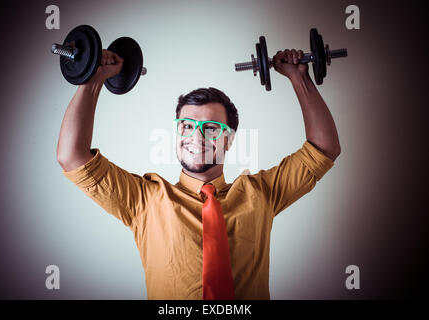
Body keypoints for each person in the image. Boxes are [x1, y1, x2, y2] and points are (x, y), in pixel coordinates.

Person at [57, 48, 341, 300]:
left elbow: (324, 149)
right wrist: (93, 78)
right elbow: (72, 156)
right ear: (177, 133)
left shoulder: (262, 192)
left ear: (228, 140)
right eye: (187, 126)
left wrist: (299, 78)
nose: (197, 135)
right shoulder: (144, 200)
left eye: (212, 128)